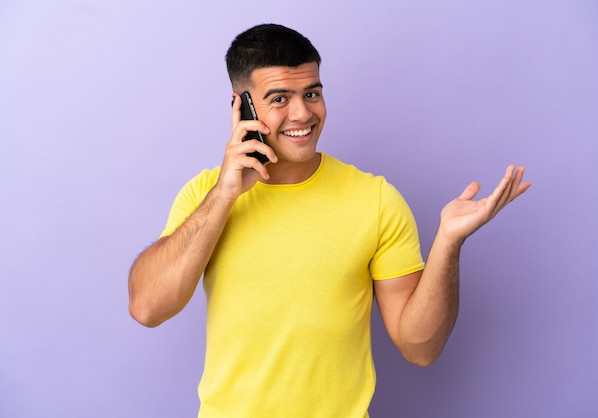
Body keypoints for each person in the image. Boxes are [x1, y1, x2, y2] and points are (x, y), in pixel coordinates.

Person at [128, 23, 531, 417]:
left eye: (312, 93)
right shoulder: (205, 194)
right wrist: (225, 195)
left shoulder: (375, 200)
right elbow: (147, 308)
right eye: (279, 99)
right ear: (242, 106)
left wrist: (448, 242)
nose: (303, 113)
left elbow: (420, 348)